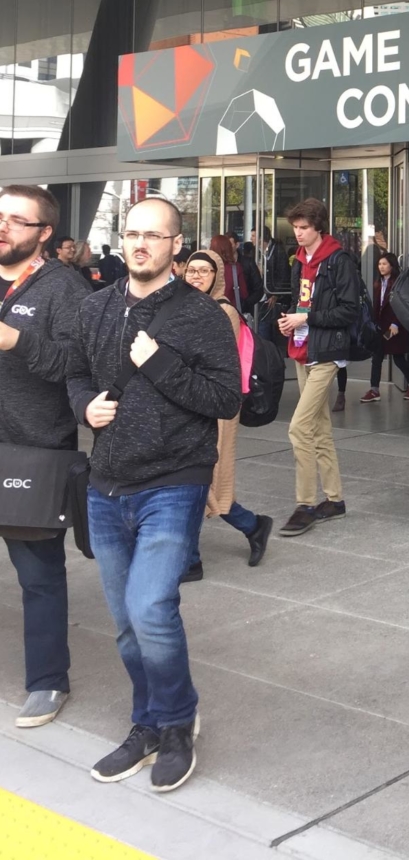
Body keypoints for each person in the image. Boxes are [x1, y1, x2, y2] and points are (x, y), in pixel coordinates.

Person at [66, 196, 242, 792]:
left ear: (175, 244)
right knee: (123, 622)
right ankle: (146, 723)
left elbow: (226, 400)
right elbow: (75, 372)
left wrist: (162, 364)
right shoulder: (96, 308)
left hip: (175, 479)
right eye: (132, 232)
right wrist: (83, 406)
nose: (140, 243)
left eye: (154, 235)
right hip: (106, 483)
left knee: (150, 608)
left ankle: (177, 722)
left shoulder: (201, 315)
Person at [0, 185, 91, 729]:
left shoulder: (65, 289)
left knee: (38, 575)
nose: (2, 226)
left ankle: (48, 680)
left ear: (44, 233)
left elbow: (75, 365)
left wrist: (17, 342)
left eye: (15, 219)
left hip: (33, 452)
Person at [181, 249, 273, 578]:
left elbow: (219, 365)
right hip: (185, 403)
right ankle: (252, 525)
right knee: (192, 478)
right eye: (192, 269)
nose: (196, 276)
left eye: (205, 271)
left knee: (203, 478)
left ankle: (191, 559)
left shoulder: (224, 312)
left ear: (217, 276)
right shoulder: (180, 306)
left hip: (216, 406)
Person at [277, 198, 358, 537]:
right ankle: (335, 499)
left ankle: (305, 504)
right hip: (303, 348)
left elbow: (348, 310)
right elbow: (301, 300)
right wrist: (291, 321)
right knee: (319, 429)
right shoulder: (299, 261)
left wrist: (305, 317)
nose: (298, 233)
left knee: (298, 428)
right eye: (295, 227)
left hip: (327, 352)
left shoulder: (338, 260)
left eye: (304, 228)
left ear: (318, 228)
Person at [360, 252, 409, 403]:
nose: (381, 267)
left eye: (384, 264)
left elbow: (402, 306)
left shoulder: (399, 282)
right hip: (381, 327)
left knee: (398, 358)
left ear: (392, 266)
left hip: (394, 327)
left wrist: (396, 324)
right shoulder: (378, 282)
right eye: (379, 264)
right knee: (377, 357)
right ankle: (374, 390)